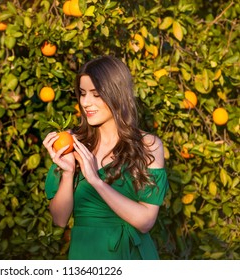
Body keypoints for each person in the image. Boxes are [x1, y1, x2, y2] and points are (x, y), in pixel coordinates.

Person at [42, 55, 169, 260]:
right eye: (82, 94)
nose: (86, 102)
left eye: (96, 94)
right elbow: (59, 219)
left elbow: (146, 221)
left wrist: (96, 181)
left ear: (116, 94)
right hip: (85, 255)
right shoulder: (73, 143)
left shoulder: (148, 145)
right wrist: (68, 173)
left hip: (130, 255)